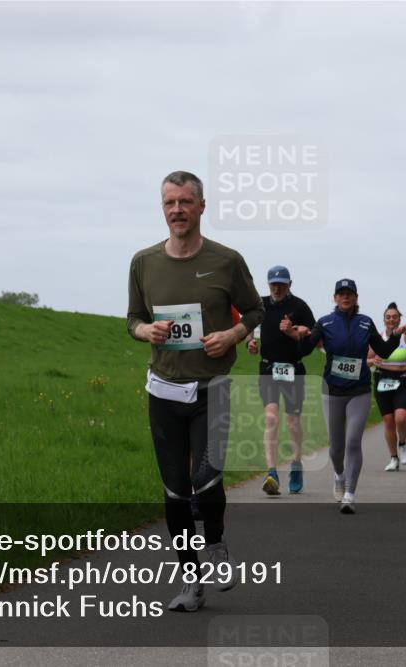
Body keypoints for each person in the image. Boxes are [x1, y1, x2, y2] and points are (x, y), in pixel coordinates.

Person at [127, 170, 264, 612]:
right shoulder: (143, 262)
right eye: (170, 203)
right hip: (164, 390)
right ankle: (191, 581)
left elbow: (257, 308)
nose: (177, 211)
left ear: (202, 207)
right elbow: (132, 320)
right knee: (174, 491)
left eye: (185, 202)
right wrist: (147, 329)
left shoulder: (226, 260)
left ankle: (217, 542)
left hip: (213, 388)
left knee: (206, 483)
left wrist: (233, 334)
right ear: (162, 208)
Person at [285, 279, 406, 514]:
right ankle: (339, 475)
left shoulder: (365, 323)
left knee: (353, 441)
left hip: (358, 391)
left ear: (356, 297)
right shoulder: (325, 322)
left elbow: (383, 351)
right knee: (336, 446)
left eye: (349, 294)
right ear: (335, 298)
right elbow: (304, 351)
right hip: (332, 391)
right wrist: (295, 336)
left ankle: (350, 493)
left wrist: (394, 335)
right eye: (341, 294)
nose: (345, 297)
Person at [245, 265, 315, 495]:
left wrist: (296, 332)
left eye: (282, 284)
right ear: (268, 285)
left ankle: (296, 463)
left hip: (293, 370)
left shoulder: (300, 307)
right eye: (273, 284)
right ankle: (272, 472)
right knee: (271, 417)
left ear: (290, 285)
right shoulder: (261, 305)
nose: (277, 288)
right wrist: (250, 342)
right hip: (268, 369)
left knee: (293, 422)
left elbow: (311, 339)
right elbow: (247, 325)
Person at [367, 302, 406, 471]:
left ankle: (403, 445)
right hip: (382, 380)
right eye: (388, 317)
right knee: (389, 422)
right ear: (384, 320)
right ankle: (393, 458)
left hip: (402, 380)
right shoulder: (376, 338)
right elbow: (365, 360)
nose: (391, 319)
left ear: (400, 320)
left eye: (395, 317)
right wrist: (372, 361)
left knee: (400, 418)